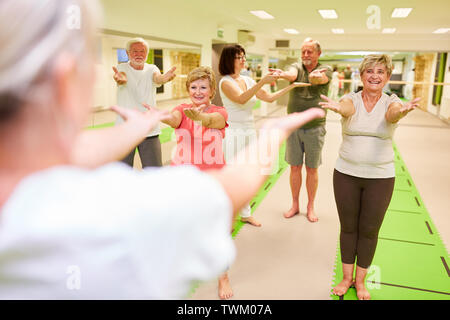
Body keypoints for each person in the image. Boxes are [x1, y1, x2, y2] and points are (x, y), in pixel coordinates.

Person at [0, 0, 325, 299]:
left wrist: (140, 125)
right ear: (65, 79)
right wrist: (271, 135)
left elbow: (80, 150)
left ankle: (220, 272)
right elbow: (228, 188)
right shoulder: (111, 210)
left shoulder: (35, 195)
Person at [319, 54, 421, 300]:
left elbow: (392, 115)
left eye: (380, 72)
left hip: (380, 177)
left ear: (387, 77)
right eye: (369, 71)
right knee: (348, 228)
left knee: (369, 230)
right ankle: (346, 278)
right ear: (361, 75)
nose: (374, 75)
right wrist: (337, 108)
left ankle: (361, 281)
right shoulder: (350, 99)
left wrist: (402, 112)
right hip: (346, 174)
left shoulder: (392, 102)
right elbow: (346, 108)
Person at [219, 44, 311, 228]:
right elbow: (241, 98)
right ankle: (226, 217)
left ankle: (245, 214)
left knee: (247, 174)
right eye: (240, 57)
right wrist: (262, 81)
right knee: (232, 175)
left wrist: (291, 86)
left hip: (249, 130)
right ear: (230, 60)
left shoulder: (248, 79)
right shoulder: (225, 82)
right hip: (233, 132)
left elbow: (268, 98)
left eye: (244, 56)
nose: (244, 60)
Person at [275, 38, 332, 223]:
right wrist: (283, 74)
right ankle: (294, 204)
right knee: (295, 167)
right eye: (303, 51)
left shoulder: (326, 69)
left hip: (315, 128)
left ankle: (310, 206)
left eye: (310, 51)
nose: (306, 55)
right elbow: (292, 74)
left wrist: (316, 77)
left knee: (312, 168)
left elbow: (320, 78)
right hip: (293, 126)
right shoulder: (296, 67)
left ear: (318, 53)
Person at [112, 37, 176, 168]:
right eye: (135, 51)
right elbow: (121, 77)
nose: (139, 54)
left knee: (154, 170)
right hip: (126, 129)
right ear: (128, 53)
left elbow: (158, 78)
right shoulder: (121, 67)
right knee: (122, 172)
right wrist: (120, 80)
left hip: (149, 129)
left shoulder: (152, 68)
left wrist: (165, 78)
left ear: (146, 54)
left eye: (142, 51)